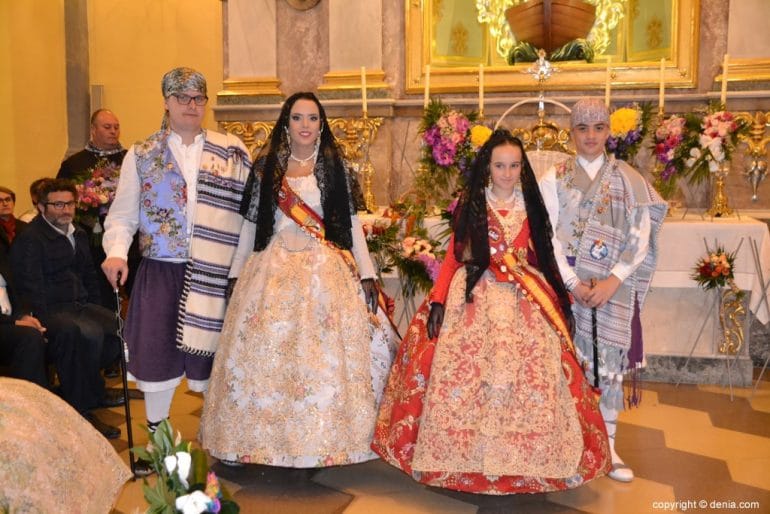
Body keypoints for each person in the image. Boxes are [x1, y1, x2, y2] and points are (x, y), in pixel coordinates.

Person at [371, 130, 610, 494]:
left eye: (514, 166)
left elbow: (544, 257)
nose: (507, 173)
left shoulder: (530, 207)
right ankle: (462, 456)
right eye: (500, 166)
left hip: (522, 296)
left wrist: (562, 301)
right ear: (487, 167)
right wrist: (438, 301)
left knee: (531, 372)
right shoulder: (473, 206)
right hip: (471, 295)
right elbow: (453, 258)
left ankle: (526, 459)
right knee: (467, 371)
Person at [199, 92, 397, 468]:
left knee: (320, 358)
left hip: (323, 272)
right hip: (270, 271)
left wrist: (368, 272)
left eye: (312, 118)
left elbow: (351, 224)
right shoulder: (267, 167)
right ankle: (252, 440)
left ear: (321, 125)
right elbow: (250, 226)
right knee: (264, 354)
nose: (305, 125)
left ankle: (321, 440)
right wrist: (235, 272)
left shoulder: (333, 167)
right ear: (285, 123)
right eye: (297, 118)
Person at [101, 68, 252, 469]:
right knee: (157, 352)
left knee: (222, 355)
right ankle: (159, 444)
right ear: (166, 102)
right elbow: (122, 215)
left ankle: (226, 438)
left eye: (198, 98)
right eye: (182, 97)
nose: (191, 105)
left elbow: (249, 213)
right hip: (162, 268)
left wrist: (243, 265)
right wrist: (116, 253)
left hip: (216, 270)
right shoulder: (141, 153)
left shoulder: (231, 150)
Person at [539, 98, 667, 483]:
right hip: (568, 285)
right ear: (571, 133)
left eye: (598, 128)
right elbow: (546, 236)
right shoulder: (554, 178)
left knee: (608, 368)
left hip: (614, 286)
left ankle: (608, 447)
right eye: (582, 128)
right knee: (568, 365)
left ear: (609, 132)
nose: (591, 136)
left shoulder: (630, 179)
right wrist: (572, 283)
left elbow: (639, 237)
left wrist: (613, 281)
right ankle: (570, 445)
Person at [10, 179, 124, 439]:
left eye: (70, 204)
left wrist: (95, 304)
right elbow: (28, 285)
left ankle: (91, 388)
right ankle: (81, 408)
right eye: (58, 205)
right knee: (81, 334)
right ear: (41, 207)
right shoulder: (31, 239)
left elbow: (89, 275)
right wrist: (41, 318)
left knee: (119, 328)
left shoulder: (78, 233)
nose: (66, 210)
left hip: (79, 304)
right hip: (50, 309)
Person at [58, 109, 138, 312]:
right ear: (93, 129)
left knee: (137, 289)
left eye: (116, 127)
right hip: (91, 239)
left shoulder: (131, 160)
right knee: (99, 293)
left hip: (130, 239)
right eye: (107, 127)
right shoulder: (74, 164)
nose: (113, 131)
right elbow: (61, 198)